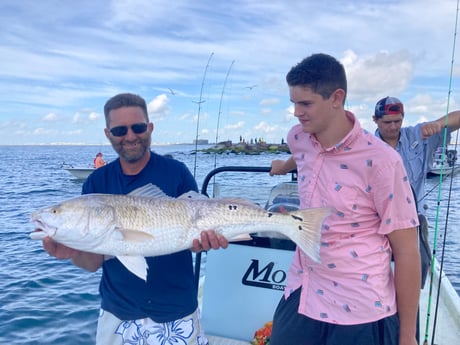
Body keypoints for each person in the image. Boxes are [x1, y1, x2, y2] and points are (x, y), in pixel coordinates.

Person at [40, 93, 228, 345]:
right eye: (119, 130)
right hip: (118, 314)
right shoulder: (96, 183)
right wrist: (72, 251)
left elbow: (195, 232)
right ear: (108, 134)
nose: (130, 136)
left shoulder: (177, 173)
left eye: (138, 127)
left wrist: (205, 243)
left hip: (177, 311)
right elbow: (92, 263)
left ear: (150, 128)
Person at [269, 53, 421, 345]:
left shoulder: (383, 162)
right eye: (294, 104)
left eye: (306, 103)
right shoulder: (298, 138)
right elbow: (305, 156)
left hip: (361, 307)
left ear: (337, 97)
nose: (297, 113)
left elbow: (406, 251)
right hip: (304, 287)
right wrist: (283, 165)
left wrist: (407, 335)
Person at [373, 96, 460, 212]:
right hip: (380, 221)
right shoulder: (367, 148)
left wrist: (438, 123)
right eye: (387, 122)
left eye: (397, 121)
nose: (393, 126)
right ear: (375, 120)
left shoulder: (418, 135)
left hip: (416, 219)